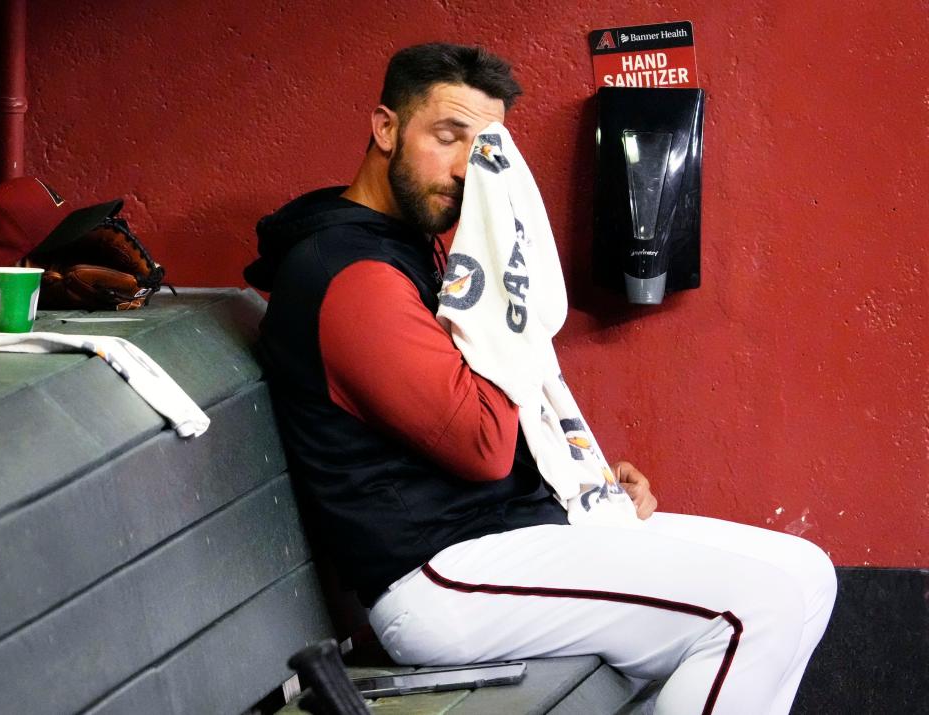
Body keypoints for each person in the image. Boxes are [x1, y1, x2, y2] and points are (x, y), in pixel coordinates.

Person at [244, 43, 836, 715]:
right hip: (442, 578)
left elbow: (485, 406)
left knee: (806, 573)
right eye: (448, 135)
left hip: (507, 540)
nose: (469, 166)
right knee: (753, 612)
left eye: (486, 147)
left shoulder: (408, 250)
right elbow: (483, 444)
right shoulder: (353, 276)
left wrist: (585, 482)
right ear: (385, 128)